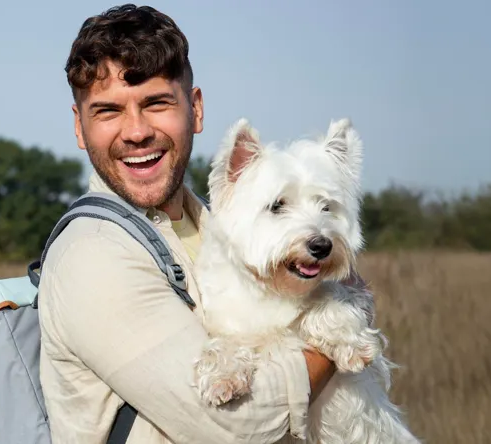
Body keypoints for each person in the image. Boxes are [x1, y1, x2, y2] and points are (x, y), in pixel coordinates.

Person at [37, 4, 369, 443]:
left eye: (156, 103)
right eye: (108, 111)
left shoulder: (218, 228)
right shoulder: (92, 254)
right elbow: (233, 423)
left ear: (195, 109)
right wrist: (344, 321)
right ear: (79, 128)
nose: (136, 132)